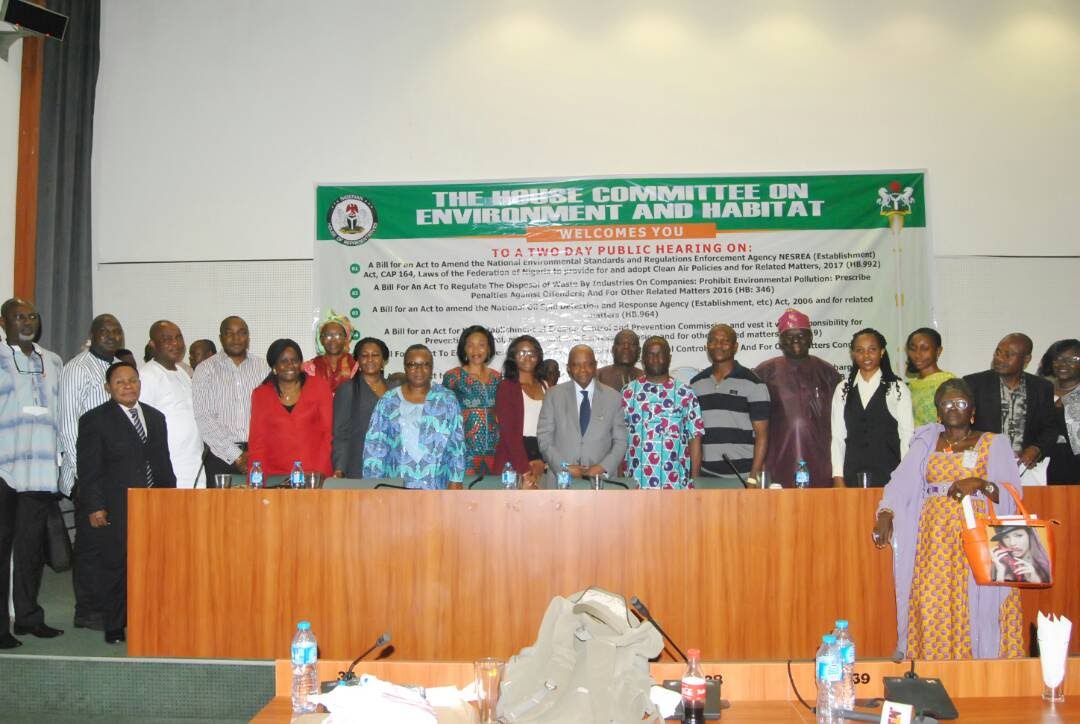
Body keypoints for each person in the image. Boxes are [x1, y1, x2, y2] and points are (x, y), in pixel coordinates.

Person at [872, 379, 1023, 660]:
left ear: (973, 410)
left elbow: (1012, 493)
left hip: (979, 538)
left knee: (976, 604)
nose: (954, 408)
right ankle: (932, 667)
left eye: (961, 403)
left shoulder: (994, 442)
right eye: (947, 403)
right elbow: (900, 483)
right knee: (929, 600)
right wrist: (886, 512)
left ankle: (981, 669)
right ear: (938, 411)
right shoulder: (926, 442)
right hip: (934, 542)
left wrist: (980, 483)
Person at [77, 362, 176, 643]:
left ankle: (150, 619)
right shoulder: (95, 420)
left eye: (133, 380)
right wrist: (95, 506)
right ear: (107, 388)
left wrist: (170, 499)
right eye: (120, 382)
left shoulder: (155, 417)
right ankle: (114, 624)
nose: (128, 386)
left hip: (154, 502)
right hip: (116, 505)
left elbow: (163, 462)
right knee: (116, 566)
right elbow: (89, 469)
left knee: (154, 564)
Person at [0, 298, 65, 647]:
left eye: (32, 316)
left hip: (40, 471)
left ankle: (28, 618)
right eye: (18, 317)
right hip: (4, 468)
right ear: (3, 322)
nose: (27, 322)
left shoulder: (52, 360)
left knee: (30, 550)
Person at [59, 313, 124, 631]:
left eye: (116, 331)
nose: (111, 336)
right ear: (92, 334)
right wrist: (86, 480)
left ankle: (108, 605)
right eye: (104, 331)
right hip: (87, 476)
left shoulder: (118, 368)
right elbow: (68, 426)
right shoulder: (77, 368)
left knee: (110, 545)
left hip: (114, 476)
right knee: (90, 546)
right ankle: (87, 611)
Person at [754, 308, 841, 487]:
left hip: (821, 462)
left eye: (801, 335)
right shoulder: (765, 372)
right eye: (789, 336)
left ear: (810, 338)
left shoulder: (828, 372)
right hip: (777, 463)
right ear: (780, 341)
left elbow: (840, 422)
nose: (795, 340)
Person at [363, 344, 465, 489]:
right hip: (395, 487)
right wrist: (373, 485)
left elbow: (457, 444)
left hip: (437, 486)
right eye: (412, 364)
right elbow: (375, 446)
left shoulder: (447, 399)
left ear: (432, 368)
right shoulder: (388, 401)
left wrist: (456, 480)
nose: (419, 370)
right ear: (405, 367)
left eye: (425, 364)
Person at [830, 329, 914, 487]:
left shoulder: (897, 388)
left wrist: (905, 476)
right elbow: (838, 437)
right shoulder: (842, 389)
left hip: (890, 475)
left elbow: (906, 436)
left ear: (882, 352)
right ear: (853, 354)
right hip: (851, 474)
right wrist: (838, 477)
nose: (866, 356)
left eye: (872, 349)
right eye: (860, 350)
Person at [689, 324, 770, 485]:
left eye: (725, 341)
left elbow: (762, 435)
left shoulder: (754, 384)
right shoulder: (696, 384)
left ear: (735, 347)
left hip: (744, 476)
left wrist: (753, 478)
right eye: (713, 341)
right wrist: (695, 478)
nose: (718, 345)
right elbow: (695, 436)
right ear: (707, 346)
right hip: (707, 475)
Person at [964, 333, 1057, 471]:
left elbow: (1050, 428)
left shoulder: (1042, 388)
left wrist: (1037, 448)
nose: (999, 358)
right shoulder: (973, 384)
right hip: (982, 465)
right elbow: (962, 427)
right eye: (998, 352)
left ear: (1026, 359)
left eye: (1008, 354)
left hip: (1024, 468)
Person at [536, 345, 628, 485]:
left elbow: (621, 441)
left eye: (587, 364)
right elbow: (544, 439)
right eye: (576, 365)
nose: (583, 369)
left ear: (595, 366)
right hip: (560, 480)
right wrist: (564, 467)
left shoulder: (613, 397)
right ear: (568, 368)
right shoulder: (553, 395)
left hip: (601, 481)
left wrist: (602, 467)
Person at [192, 316, 269, 481]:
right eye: (230, 333)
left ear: (248, 337)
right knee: (221, 500)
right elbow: (204, 417)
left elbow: (271, 413)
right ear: (221, 338)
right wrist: (237, 456)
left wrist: (255, 452)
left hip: (259, 454)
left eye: (241, 333)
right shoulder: (205, 370)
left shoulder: (264, 368)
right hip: (220, 456)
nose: (236, 338)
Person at [622, 336, 704, 489]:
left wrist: (695, 482)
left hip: (676, 485)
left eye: (660, 354)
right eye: (650, 354)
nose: (655, 359)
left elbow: (695, 440)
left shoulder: (685, 393)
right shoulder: (628, 393)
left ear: (669, 358)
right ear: (643, 359)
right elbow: (619, 439)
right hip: (636, 484)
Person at [247, 339, 333, 477]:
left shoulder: (319, 387)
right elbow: (258, 442)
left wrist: (319, 473)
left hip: (314, 475)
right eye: (283, 361)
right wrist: (257, 479)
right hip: (276, 476)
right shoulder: (261, 394)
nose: (290, 365)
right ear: (274, 366)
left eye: (295, 360)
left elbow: (328, 434)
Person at [138, 321, 204, 488]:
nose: (175, 343)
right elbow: (141, 429)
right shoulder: (147, 376)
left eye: (178, 338)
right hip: (169, 470)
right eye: (167, 339)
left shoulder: (183, 373)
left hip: (194, 466)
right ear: (153, 344)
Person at [442, 325, 501, 476]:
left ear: (489, 349)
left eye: (481, 345)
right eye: (470, 345)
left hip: (494, 451)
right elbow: (444, 416)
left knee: (493, 490)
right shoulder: (453, 377)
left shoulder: (497, 378)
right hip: (463, 451)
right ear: (464, 349)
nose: (476, 350)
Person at [494, 335, 548, 487]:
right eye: (521, 353)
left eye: (532, 353)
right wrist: (524, 469)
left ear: (538, 357)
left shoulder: (545, 386)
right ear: (513, 357)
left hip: (542, 456)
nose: (527, 357)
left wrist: (544, 462)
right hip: (515, 458)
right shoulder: (506, 387)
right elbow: (509, 433)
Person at [332, 337, 390, 479]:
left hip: (391, 464)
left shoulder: (394, 389)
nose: (370, 359)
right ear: (357, 360)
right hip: (359, 464)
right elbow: (341, 433)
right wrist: (340, 468)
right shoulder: (348, 389)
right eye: (364, 355)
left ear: (383, 360)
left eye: (375, 355)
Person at [1037, 339, 1080, 484]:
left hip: (1074, 470)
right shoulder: (1038, 391)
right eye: (1058, 358)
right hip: (1038, 467)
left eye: (1073, 359)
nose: (1063, 364)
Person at [905, 327, 955, 428]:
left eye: (924, 349)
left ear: (938, 351)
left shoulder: (949, 383)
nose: (917, 355)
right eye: (913, 349)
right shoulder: (909, 387)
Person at [301, 311, 357, 395]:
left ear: (346, 339)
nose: (333, 340)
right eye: (328, 336)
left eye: (338, 335)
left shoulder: (356, 367)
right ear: (321, 340)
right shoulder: (309, 368)